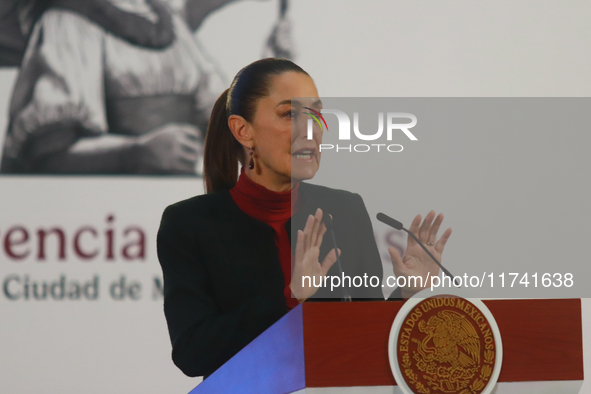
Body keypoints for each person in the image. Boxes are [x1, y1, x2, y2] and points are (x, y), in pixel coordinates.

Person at [156, 58, 452, 378]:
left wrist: (407, 293)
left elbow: (368, 334)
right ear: (243, 131)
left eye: (316, 114)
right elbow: (192, 352)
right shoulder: (188, 223)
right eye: (290, 114)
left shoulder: (345, 210)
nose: (311, 129)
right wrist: (289, 297)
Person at [0, 0, 292, 175]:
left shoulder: (168, 23)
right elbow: (46, 154)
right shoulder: (66, 23)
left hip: (171, 208)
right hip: (107, 222)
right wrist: (138, 152)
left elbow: (221, 119)